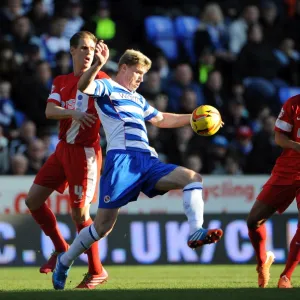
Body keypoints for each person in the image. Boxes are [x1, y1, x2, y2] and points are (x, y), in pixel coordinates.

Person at [51, 43, 223, 290]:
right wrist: (98, 64)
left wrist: (195, 116)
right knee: (102, 227)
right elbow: (84, 86)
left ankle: (196, 230)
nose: (141, 79)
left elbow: (162, 119)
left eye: (144, 75)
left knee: (193, 178)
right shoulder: (107, 86)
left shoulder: (138, 99)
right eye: (138, 73)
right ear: (123, 68)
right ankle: (64, 262)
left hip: (147, 160)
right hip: (121, 161)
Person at [25, 31, 109, 289]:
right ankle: (61, 248)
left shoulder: (102, 79)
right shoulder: (61, 80)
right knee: (33, 200)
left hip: (84, 153)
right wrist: (74, 113)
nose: (88, 53)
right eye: (83, 48)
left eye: (92, 48)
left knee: (79, 213)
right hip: (63, 150)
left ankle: (96, 270)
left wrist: (99, 67)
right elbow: (50, 111)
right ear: (72, 51)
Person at [247, 94, 300, 289]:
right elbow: (279, 137)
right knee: (253, 221)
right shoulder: (293, 104)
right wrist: (297, 146)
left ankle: (285, 276)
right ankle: (263, 262)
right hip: (287, 169)